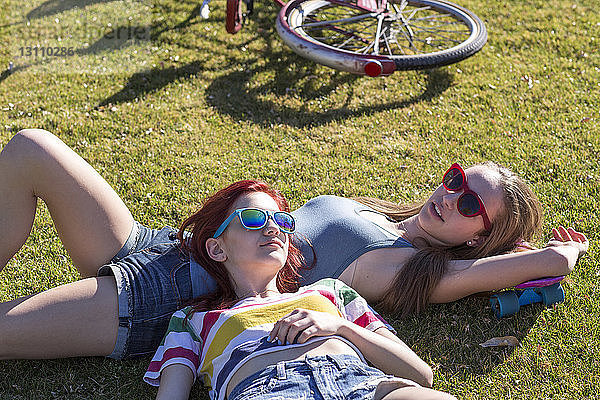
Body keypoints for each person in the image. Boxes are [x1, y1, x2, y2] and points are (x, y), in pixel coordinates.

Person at [0, 129, 588, 360]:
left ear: (481, 238)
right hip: (167, 248)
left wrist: (564, 256)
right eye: (457, 179)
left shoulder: (409, 268)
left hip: (172, 299)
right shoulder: (385, 216)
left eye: (470, 204)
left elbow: (543, 262)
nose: (450, 195)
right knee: (33, 148)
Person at [143, 180, 455, 400]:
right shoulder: (193, 320)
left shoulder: (331, 292)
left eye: (281, 220)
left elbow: (419, 374)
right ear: (217, 248)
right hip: (267, 390)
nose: (272, 228)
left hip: (363, 384)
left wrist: (341, 327)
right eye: (253, 218)